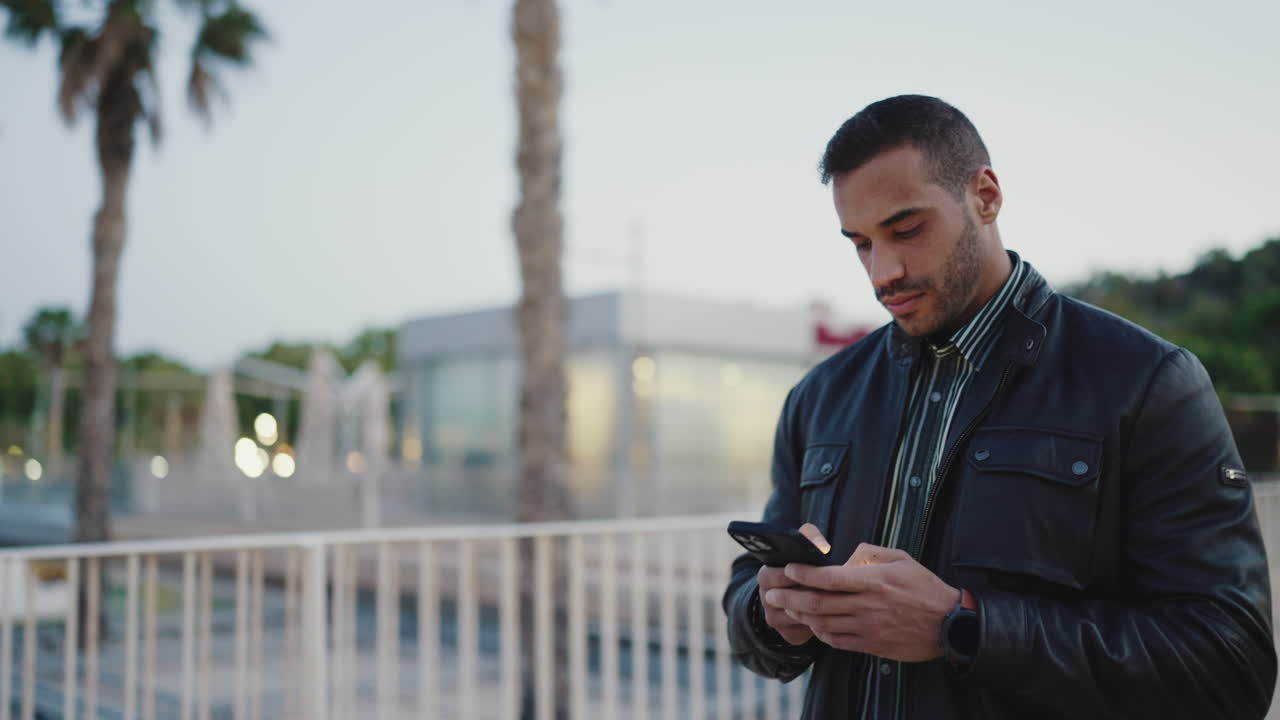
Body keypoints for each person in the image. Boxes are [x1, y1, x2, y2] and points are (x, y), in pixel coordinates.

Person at [722, 94, 1277, 720]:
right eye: (860, 243)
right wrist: (770, 611)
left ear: (985, 196)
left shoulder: (1148, 383)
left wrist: (961, 627)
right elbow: (748, 608)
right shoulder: (821, 396)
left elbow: (1229, 667)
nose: (883, 272)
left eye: (906, 230)